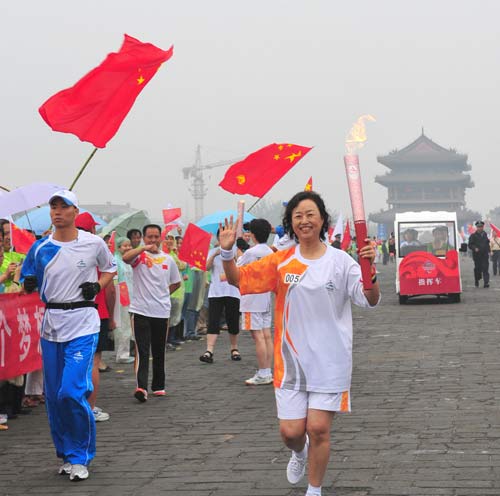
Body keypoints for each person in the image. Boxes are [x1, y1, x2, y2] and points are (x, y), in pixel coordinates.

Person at [218, 190, 379, 496]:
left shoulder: (341, 261)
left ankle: (314, 490)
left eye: (310, 214)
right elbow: (239, 279)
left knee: (319, 429)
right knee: (292, 433)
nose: (304, 221)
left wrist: (370, 271)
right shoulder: (281, 261)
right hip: (291, 361)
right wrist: (227, 253)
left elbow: (369, 299)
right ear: (291, 223)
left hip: (331, 360)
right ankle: (299, 452)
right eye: (298, 216)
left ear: (322, 220)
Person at [20, 189, 116, 481]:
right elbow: (26, 282)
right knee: (54, 396)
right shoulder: (39, 248)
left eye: (64, 206)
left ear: (75, 211)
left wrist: (97, 286)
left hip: (84, 322)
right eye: (54, 207)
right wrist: (28, 282)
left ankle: (81, 456)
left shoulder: (93, 243)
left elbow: (110, 269)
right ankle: (64, 454)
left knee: (71, 391)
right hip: (52, 324)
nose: (58, 211)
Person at [123, 224, 181, 402]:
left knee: (158, 350)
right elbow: (126, 258)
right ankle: (141, 387)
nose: (153, 240)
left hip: (161, 311)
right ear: (143, 238)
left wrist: (162, 294)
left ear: (161, 238)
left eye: (156, 236)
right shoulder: (139, 257)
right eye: (149, 237)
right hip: (140, 310)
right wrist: (143, 248)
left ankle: (158, 385)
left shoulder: (168, 259)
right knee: (142, 350)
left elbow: (176, 282)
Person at [236, 218, 274, 386]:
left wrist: (239, 250)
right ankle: (267, 371)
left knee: (257, 336)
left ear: (253, 234)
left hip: (251, 298)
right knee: (266, 335)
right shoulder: (270, 252)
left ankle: (263, 373)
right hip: (265, 297)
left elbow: (236, 269)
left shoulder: (251, 253)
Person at [199, 230, 241, 364]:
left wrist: (232, 256)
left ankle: (234, 349)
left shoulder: (236, 250)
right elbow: (206, 267)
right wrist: (215, 254)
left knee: (232, 320)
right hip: (216, 292)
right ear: (218, 237)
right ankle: (209, 351)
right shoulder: (213, 251)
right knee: (213, 321)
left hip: (232, 291)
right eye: (223, 236)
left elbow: (242, 266)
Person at [114, 237, 135, 363]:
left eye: (129, 245)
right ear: (119, 247)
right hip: (122, 296)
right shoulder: (116, 261)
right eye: (124, 246)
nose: (127, 248)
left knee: (128, 326)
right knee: (124, 326)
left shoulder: (129, 261)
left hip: (130, 296)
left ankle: (124, 352)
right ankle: (122, 355)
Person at [468, 220, 490, 288]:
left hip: (485, 255)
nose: (480, 228)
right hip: (477, 256)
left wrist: (489, 251)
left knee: (485, 269)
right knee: (478, 269)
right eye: (478, 227)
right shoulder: (473, 236)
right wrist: (475, 248)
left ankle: (486, 283)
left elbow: (487, 244)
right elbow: (470, 245)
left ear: (483, 227)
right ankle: (477, 280)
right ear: (476, 227)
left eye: (481, 227)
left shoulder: (485, 234)